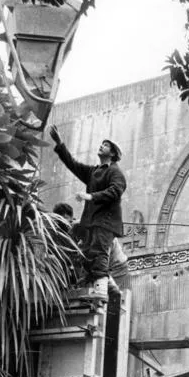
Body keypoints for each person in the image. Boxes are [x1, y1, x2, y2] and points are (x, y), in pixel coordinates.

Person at [49, 126, 126, 296]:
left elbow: (116, 191)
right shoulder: (93, 171)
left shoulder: (115, 172)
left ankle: (101, 291)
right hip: (91, 222)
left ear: (112, 153)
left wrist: (91, 197)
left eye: (106, 145)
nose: (101, 146)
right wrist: (60, 144)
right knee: (88, 256)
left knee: (99, 253)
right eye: (102, 143)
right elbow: (73, 164)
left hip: (105, 222)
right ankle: (111, 287)